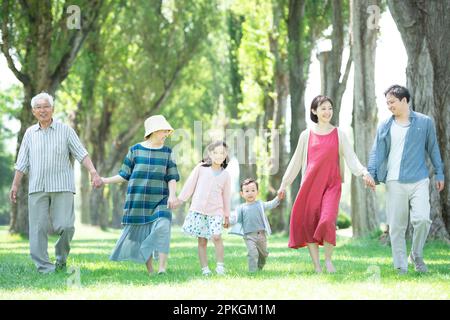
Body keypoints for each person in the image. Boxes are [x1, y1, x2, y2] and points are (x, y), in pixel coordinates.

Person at [277, 95, 375, 273]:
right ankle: (317, 266)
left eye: (330, 108)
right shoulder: (306, 135)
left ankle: (328, 260)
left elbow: (351, 158)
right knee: (309, 223)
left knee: (328, 220)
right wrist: (284, 184)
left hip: (332, 184)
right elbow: (296, 162)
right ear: (314, 111)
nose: (327, 112)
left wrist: (364, 173)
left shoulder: (339, 134)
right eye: (323, 108)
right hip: (310, 185)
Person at [9, 92, 103, 274]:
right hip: (37, 187)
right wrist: (15, 185)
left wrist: (93, 172)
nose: (42, 110)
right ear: (33, 111)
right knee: (37, 229)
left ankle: (61, 258)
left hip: (62, 186)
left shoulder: (66, 130)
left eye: (46, 106)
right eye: (38, 107)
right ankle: (44, 267)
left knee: (67, 226)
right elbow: (22, 163)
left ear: (52, 109)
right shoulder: (29, 134)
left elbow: (81, 153)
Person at [366, 85, 444, 274]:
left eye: (392, 102)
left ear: (404, 100)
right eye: (387, 103)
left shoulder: (425, 122)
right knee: (397, 226)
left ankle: (416, 254)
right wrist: (370, 172)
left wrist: (439, 173)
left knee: (423, 219)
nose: (389, 106)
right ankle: (401, 266)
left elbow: (433, 148)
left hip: (419, 179)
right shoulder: (385, 124)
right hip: (394, 181)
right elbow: (376, 150)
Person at [101, 115, 180, 275]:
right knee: (143, 234)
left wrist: (172, 196)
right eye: (163, 131)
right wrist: (104, 181)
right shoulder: (135, 150)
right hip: (138, 200)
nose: (166, 134)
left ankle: (162, 269)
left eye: (167, 131)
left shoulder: (167, 152)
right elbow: (124, 175)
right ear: (153, 131)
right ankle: (151, 271)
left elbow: (172, 176)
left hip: (161, 199)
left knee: (164, 227)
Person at [178, 141, 231, 276]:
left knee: (217, 236)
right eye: (216, 153)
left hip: (216, 211)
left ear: (226, 155)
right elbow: (190, 184)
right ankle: (205, 269)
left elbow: (226, 197)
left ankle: (220, 267)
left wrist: (226, 215)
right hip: (199, 210)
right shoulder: (201, 168)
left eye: (222, 153)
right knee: (202, 241)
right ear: (210, 154)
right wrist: (181, 199)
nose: (219, 156)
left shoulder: (226, 175)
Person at [230, 178, 281, 273]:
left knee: (264, 254)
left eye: (253, 190)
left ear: (257, 192)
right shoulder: (241, 208)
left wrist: (278, 198)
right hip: (249, 235)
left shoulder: (260, 204)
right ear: (242, 194)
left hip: (261, 235)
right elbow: (235, 218)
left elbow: (270, 204)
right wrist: (226, 221)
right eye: (247, 191)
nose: (250, 193)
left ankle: (260, 267)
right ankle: (252, 272)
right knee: (252, 253)